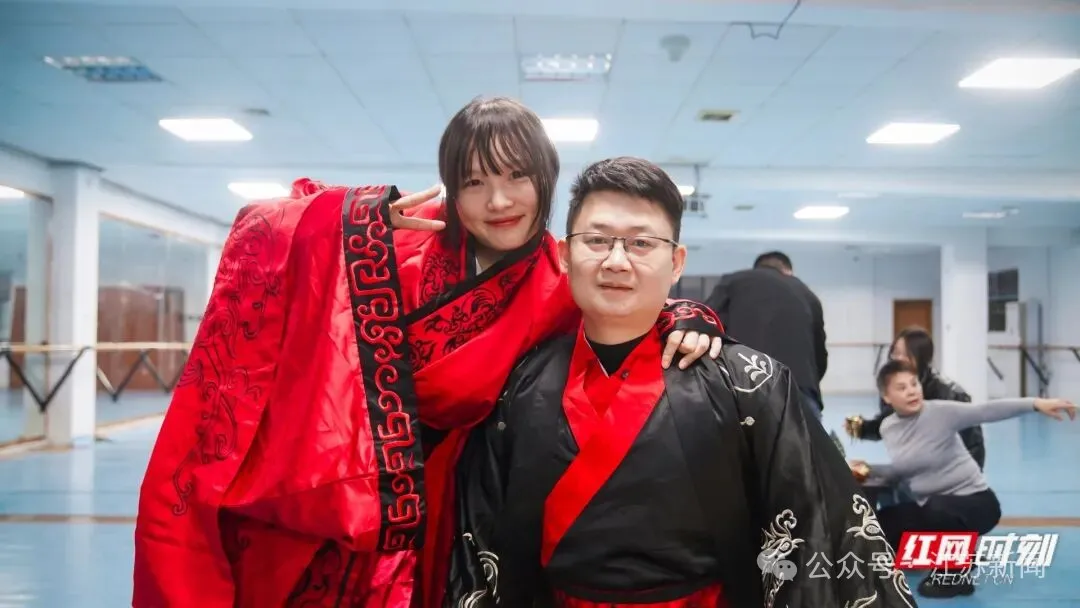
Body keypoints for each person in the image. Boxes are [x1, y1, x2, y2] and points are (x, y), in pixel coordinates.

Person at [131, 98, 724, 608]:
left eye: (517, 177)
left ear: (545, 179)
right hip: (331, 485)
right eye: (474, 182)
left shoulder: (557, 281)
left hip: (450, 506)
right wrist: (347, 220)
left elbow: (623, 301)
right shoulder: (396, 242)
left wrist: (685, 314)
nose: (498, 200)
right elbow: (268, 230)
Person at [447, 157, 918, 607]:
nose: (616, 260)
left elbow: (812, 526)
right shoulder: (520, 384)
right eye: (597, 240)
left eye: (641, 243)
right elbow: (480, 537)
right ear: (566, 255)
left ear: (676, 262)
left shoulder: (748, 384)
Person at [850, 359, 1076, 599]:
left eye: (914, 384)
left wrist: (1036, 404)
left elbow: (986, 411)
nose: (912, 391)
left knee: (937, 508)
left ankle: (956, 575)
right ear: (887, 397)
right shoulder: (888, 428)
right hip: (932, 508)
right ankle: (955, 555)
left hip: (977, 503)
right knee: (881, 524)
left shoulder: (940, 412)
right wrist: (866, 469)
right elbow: (903, 469)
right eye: (902, 387)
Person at [705, 250, 828, 419]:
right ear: (788, 271)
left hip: (742, 385)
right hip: (799, 390)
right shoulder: (807, 294)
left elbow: (707, 323)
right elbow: (820, 356)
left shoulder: (734, 281)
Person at [845, 327, 985, 470]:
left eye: (906, 354)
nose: (898, 359)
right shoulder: (893, 386)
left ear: (922, 358)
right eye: (895, 353)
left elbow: (973, 447)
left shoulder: (950, 396)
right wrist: (862, 428)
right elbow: (888, 422)